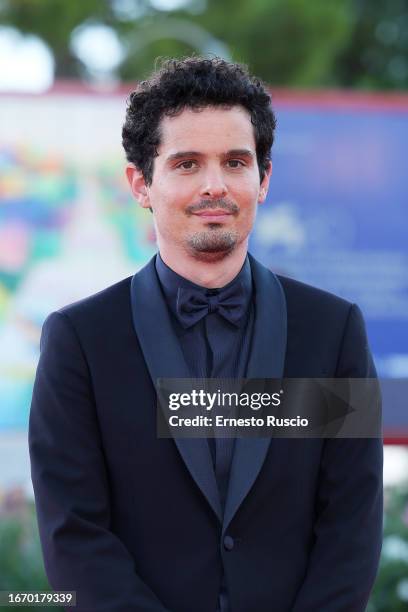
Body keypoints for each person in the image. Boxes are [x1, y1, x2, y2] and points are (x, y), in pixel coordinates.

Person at [29, 57, 383, 612]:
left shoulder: (332, 330)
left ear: (263, 180)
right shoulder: (80, 341)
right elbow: (72, 534)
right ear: (141, 183)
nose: (215, 185)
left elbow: (352, 523)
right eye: (187, 163)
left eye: (235, 162)